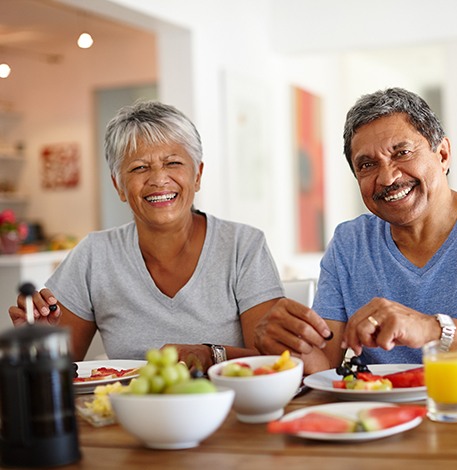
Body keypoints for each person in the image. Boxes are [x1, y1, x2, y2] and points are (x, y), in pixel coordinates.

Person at [255, 87, 457, 376]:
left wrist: (433, 330)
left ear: (442, 154)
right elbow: (323, 366)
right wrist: (285, 343)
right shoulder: (349, 243)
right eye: (367, 165)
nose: (386, 178)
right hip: (383, 427)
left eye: (402, 153)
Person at [9, 101, 284, 371]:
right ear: (118, 184)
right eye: (139, 167)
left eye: (173, 163)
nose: (158, 179)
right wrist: (41, 341)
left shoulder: (243, 246)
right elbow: (57, 370)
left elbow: (274, 362)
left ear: (197, 175)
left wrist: (210, 355)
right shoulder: (94, 254)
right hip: (127, 413)